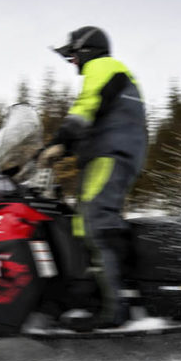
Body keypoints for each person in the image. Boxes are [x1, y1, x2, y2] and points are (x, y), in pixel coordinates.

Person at [38, 26, 148, 330]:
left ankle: (115, 309)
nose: (72, 62)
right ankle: (87, 299)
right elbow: (96, 115)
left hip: (110, 155)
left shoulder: (103, 67)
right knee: (80, 223)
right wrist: (65, 147)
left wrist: (61, 140)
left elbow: (88, 105)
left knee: (96, 223)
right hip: (110, 153)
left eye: (72, 55)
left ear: (86, 50)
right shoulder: (113, 71)